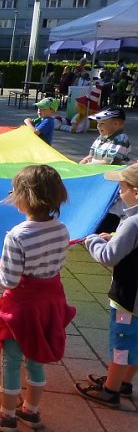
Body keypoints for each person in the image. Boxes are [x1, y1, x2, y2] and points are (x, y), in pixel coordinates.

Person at [0, 165, 74, 432]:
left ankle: (6, 416)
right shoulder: (62, 230)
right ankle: (31, 410)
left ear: (25, 198)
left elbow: (8, 280)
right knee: (36, 356)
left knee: (11, 360)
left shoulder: (17, 235)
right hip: (49, 301)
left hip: (23, 307)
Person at [75, 163, 138, 408]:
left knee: (121, 341)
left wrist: (92, 240)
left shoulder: (133, 223)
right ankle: (123, 381)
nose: (119, 193)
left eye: (122, 188)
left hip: (128, 297)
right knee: (136, 341)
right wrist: (114, 237)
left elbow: (108, 257)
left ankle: (111, 389)